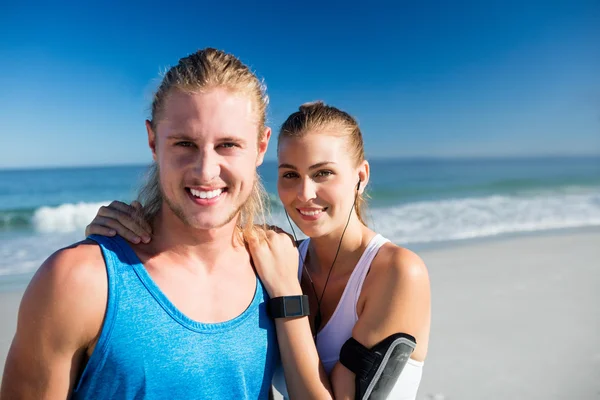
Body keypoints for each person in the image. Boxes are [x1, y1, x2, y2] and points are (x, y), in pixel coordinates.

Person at [86, 102, 431, 399]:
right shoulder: (280, 257)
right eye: (290, 175)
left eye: (323, 173)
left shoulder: (396, 272)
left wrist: (288, 295)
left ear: (361, 176)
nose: (304, 194)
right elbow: (192, 245)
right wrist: (113, 237)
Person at [0, 48, 280, 399]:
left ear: (260, 147)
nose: (206, 171)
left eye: (228, 145)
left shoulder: (280, 270)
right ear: (152, 141)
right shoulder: (79, 280)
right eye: (184, 143)